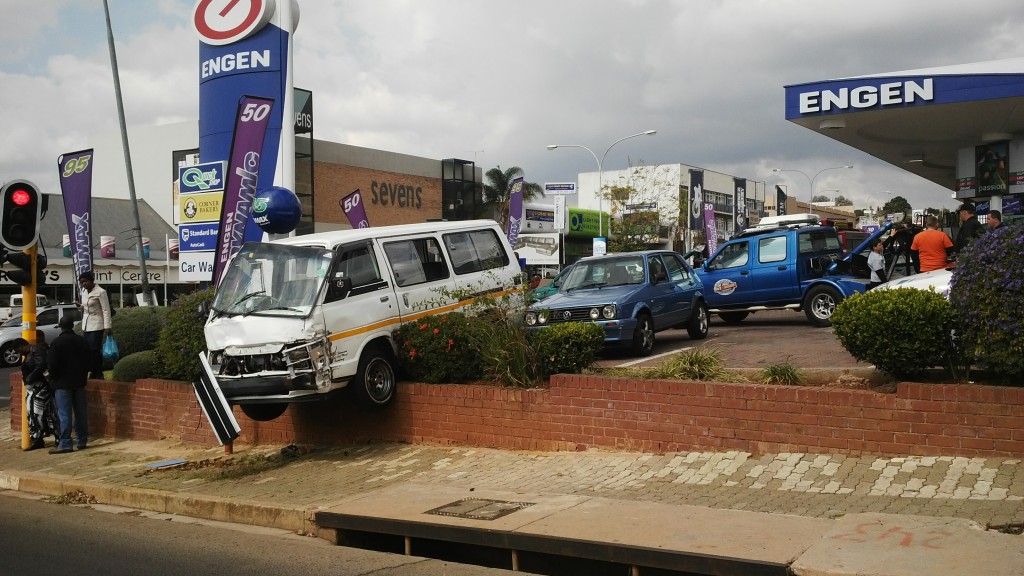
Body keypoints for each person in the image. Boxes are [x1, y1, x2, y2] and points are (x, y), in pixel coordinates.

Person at [48, 313, 92, 454]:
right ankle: (82, 440)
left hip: (62, 383)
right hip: (79, 382)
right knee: (80, 413)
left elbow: (52, 364)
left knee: (64, 414)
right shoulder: (82, 341)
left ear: (61, 327)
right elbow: (88, 360)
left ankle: (66, 443)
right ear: (73, 326)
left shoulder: (57, 343)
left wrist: (52, 378)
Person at [17, 331, 58, 451]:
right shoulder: (32, 352)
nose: (18, 353)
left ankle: (51, 437)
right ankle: (38, 438)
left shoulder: (35, 350)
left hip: (40, 388)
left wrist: (30, 378)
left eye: (18, 350)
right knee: (35, 414)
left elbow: (41, 366)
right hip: (35, 388)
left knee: (42, 413)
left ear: (21, 346)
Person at [77, 271, 112, 379]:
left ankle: (98, 372)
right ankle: (92, 370)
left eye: (86, 281)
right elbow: (87, 306)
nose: (84, 284)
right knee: (87, 349)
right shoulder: (84, 291)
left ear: (91, 281)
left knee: (94, 349)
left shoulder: (101, 292)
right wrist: (81, 306)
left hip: (97, 324)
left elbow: (106, 310)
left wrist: (108, 326)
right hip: (86, 324)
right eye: (82, 282)